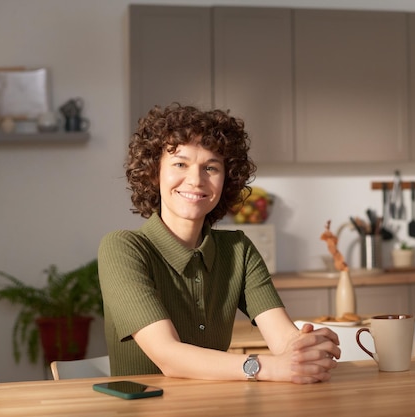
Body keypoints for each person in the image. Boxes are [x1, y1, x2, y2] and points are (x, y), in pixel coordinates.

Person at [98, 103, 340, 383]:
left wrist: (306, 348)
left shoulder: (237, 249)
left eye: (210, 168)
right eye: (180, 164)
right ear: (154, 173)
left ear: (226, 179)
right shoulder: (122, 249)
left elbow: (283, 339)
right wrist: (268, 367)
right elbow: (168, 356)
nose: (195, 180)